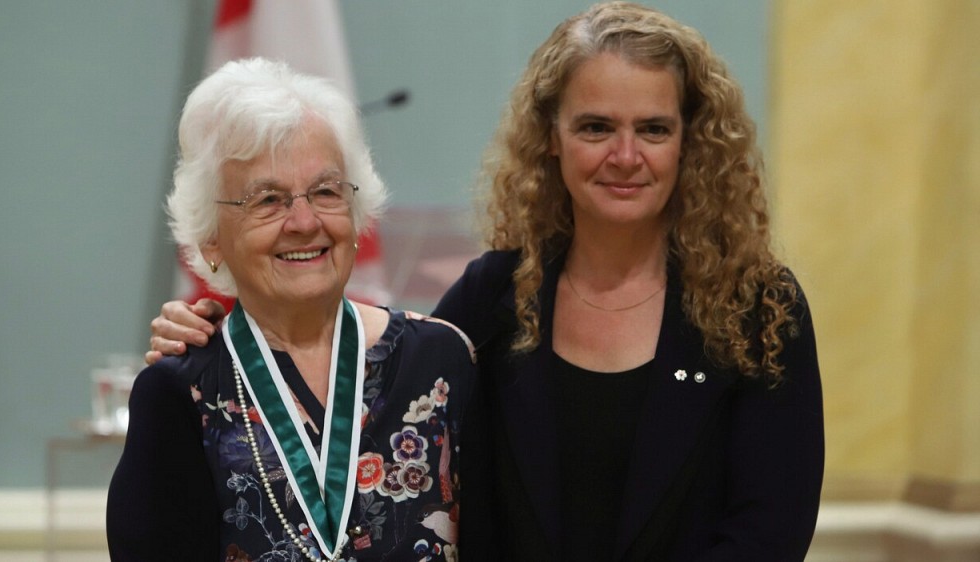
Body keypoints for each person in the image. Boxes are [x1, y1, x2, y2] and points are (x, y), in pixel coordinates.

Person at [147, 3, 825, 560]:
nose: (625, 155)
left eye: (653, 128)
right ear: (551, 137)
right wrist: (215, 330)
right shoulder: (496, 296)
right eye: (595, 126)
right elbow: (380, 386)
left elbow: (768, 534)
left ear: (689, 141)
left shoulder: (755, 309)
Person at [107, 57, 478, 562]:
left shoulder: (441, 362)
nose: (304, 222)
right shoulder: (179, 391)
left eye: (325, 191)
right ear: (210, 238)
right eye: (268, 200)